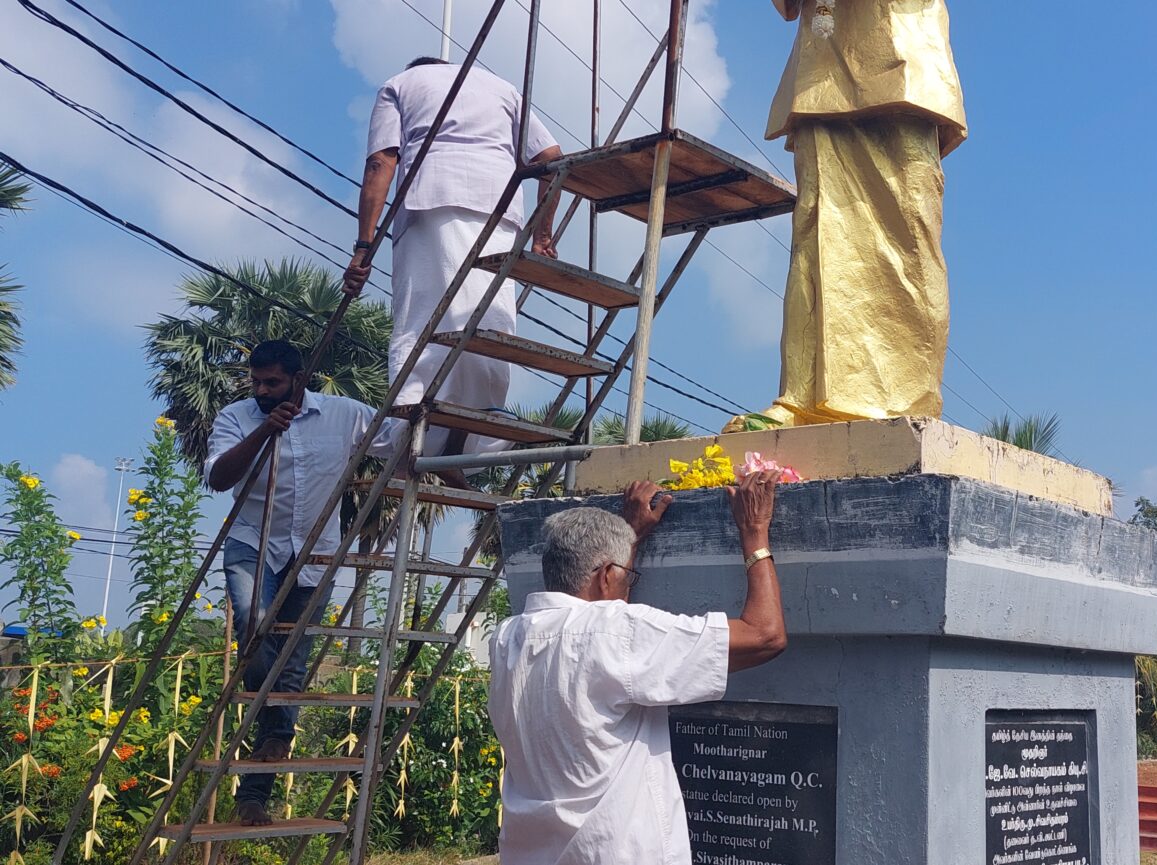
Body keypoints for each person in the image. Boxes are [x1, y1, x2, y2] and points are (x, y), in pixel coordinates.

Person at [489, 473, 789, 865]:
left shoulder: (505, 639)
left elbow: (595, 627)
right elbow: (765, 635)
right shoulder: (615, 632)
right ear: (607, 575)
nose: (626, 587)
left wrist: (626, 538)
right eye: (624, 577)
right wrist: (753, 533)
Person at [727, 0, 967, 430]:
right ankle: (801, 399)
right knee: (815, 229)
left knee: (909, 235)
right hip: (823, 67)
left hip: (904, 59)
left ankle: (907, 397)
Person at [204, 339, 403, 826]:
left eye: (271, 382)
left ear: (298, 380)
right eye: (256, 382)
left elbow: (399, 440)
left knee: (291, 664)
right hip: (254, 542)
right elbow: (218, 477)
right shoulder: (236, 417)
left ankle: (254, 794)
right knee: (252, 622)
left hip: (315, 553)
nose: (261, 391)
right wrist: (264, 432)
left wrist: (438, 420)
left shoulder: (344, 414)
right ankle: (275, 728)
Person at [344, 56, 564, 470]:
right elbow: (551, 157)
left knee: (423, 318)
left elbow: (381, 162)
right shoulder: (502, 88)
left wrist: (363, 246)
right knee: (488, 318)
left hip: (430, 202)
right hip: (500, 213)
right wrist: (543, 234)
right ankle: (482, 425)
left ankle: (412, 425)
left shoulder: (400, 83)